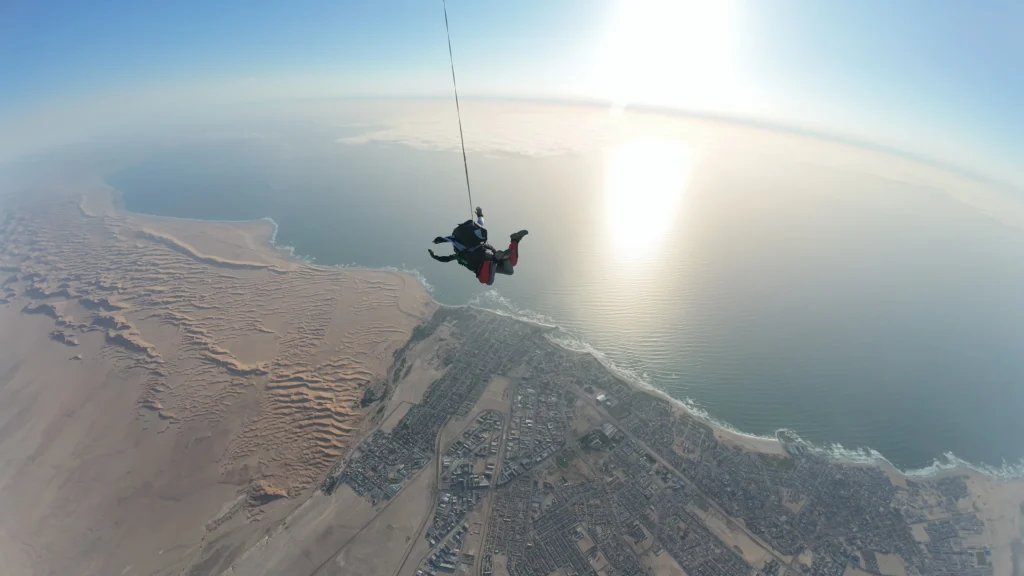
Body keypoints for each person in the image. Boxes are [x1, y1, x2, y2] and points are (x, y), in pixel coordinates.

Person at [429, 207, 527, 285]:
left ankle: (500, 259)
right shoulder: (472, 237)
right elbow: (481, 222)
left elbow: (446, 258)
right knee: (511, 265)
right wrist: (480, 213)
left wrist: (435, 255)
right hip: (488, 254)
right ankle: (515, 241)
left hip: (485, 263)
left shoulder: (459, 252)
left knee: (488, 282)